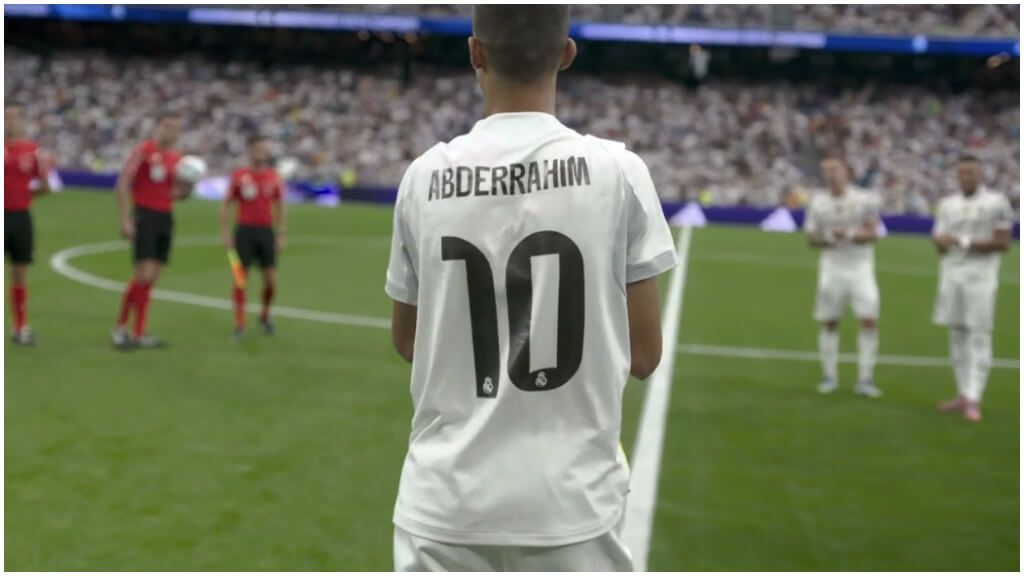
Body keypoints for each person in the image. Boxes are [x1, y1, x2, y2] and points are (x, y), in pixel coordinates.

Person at [384, 5, 677, 571]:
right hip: (571, 506)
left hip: (443, 507)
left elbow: (407, 340)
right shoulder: (618, 171)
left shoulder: (423, 176)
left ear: (475, 53)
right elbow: (644, 355)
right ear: (566, 54)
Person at [932, 155, 1014, 422]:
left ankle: (974, 396)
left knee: (979, 335)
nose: (965, 177)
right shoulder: (947, 204)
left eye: (971, 173)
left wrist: (961, 241)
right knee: (956, 333)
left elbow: (1003, 243)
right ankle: (963, 393)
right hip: (951, 276)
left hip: (981, 277)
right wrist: (945, 242)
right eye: (962, 173)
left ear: (981, 174)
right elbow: (939, 242)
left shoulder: (997, 203)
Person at [803, 156, 883, 398]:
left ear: (846, 172)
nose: (830, 175)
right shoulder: (818, 202)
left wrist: (847, 234)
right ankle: (829, 376)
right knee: (830, 321)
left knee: (868, 320)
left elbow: (873, 233)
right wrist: (829, 238)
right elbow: (810, 238)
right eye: (826, 171)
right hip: (831, 268)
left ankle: (865, 378)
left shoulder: (864, 199)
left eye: (835, 170)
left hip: (861, 268)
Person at [110, 114, 190, 350]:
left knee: (152, 277)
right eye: (167, 127)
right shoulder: (144, 151)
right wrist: (125, 219)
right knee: (143, 275)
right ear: (158, 127)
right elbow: (123, 184)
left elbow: (174, 193)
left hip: (165, 217)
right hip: (144, 215)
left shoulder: (177, 159)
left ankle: (138, 332)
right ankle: (120, 327)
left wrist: (186, 190)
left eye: (176, 129)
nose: (171, 133)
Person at [220, 135, 285, 339]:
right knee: (240, 279)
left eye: (263, 150)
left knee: (271, 281)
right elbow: (226, 204)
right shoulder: (239, 176)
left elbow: (280, 206)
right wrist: (225, 233)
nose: (261, 153)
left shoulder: (273, 177)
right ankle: (239, 325)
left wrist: (281, 234)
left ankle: (264, 316)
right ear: (250, 152)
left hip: (265, 233)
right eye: (257, 149)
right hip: (244, 233)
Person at [4, 105, 52, 346]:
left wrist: (22, 196)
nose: (10, 121)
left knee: (20, 272)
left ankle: (20, 327)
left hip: (20, 216)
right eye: (6, 117)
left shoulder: (32, 151)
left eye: (14, 117)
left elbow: (46, 186)